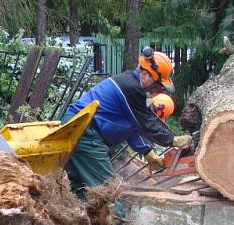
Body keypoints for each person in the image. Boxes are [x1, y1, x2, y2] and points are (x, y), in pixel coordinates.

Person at [63, 47, 192, 197]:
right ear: (145, 74)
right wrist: (172, 140)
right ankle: (117, 220)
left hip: (76, 128)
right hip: (84, 131)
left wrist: (147, 152)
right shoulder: (132, 88)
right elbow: (147, 122)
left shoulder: (131, 85)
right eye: (157, 85)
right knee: (110, 194)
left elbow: (133, 126)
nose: (156, 90)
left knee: (82, 192)